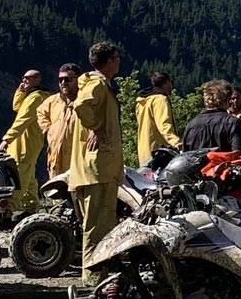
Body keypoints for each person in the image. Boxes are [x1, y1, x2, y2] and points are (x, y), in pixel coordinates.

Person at [69, 41, 126, 279]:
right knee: (97, 226)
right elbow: (81, 106)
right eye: (117, 57)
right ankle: (93, 277)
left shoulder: (95, 83)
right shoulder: (98, 84)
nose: (119, 61)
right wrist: (97, 127)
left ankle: (101, 274)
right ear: (109, 61)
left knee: (101, 223)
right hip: (98, 169)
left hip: (97, 169)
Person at [1, 69, 47, 213]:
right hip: (28, 144)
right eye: (24, 77)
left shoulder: (36, 98)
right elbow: (17, 107)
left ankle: (8, 211)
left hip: (24, 145)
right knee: (29, 178)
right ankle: (31, 208)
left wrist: (7, 139)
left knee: (18, 178)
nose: (24, 80)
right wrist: (21, 91)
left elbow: (22, 120)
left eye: (28, 78)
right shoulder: (33, 96)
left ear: (37, 79)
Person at [37, 63, 83, 179]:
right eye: (60, 80)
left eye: (67, 79)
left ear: (78, 80)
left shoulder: (84, 101)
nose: (63, 83)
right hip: (55, 163)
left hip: (78, 165)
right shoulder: (53, 101)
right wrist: (48, 130)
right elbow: (40, 112)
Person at [182, 79, 241, 154]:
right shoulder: (233, 123)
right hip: (224, 161)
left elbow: (186, 156)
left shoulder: (191, 125)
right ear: (227, 100)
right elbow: (239, 154)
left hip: (198, 162)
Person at [134, 71, 182, 164]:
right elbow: (163, 124)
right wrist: (175, 141)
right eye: (171, 82)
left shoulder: (142, 101)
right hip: (159, 152)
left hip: (144, 150)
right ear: (166, 82)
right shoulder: (160, 99)